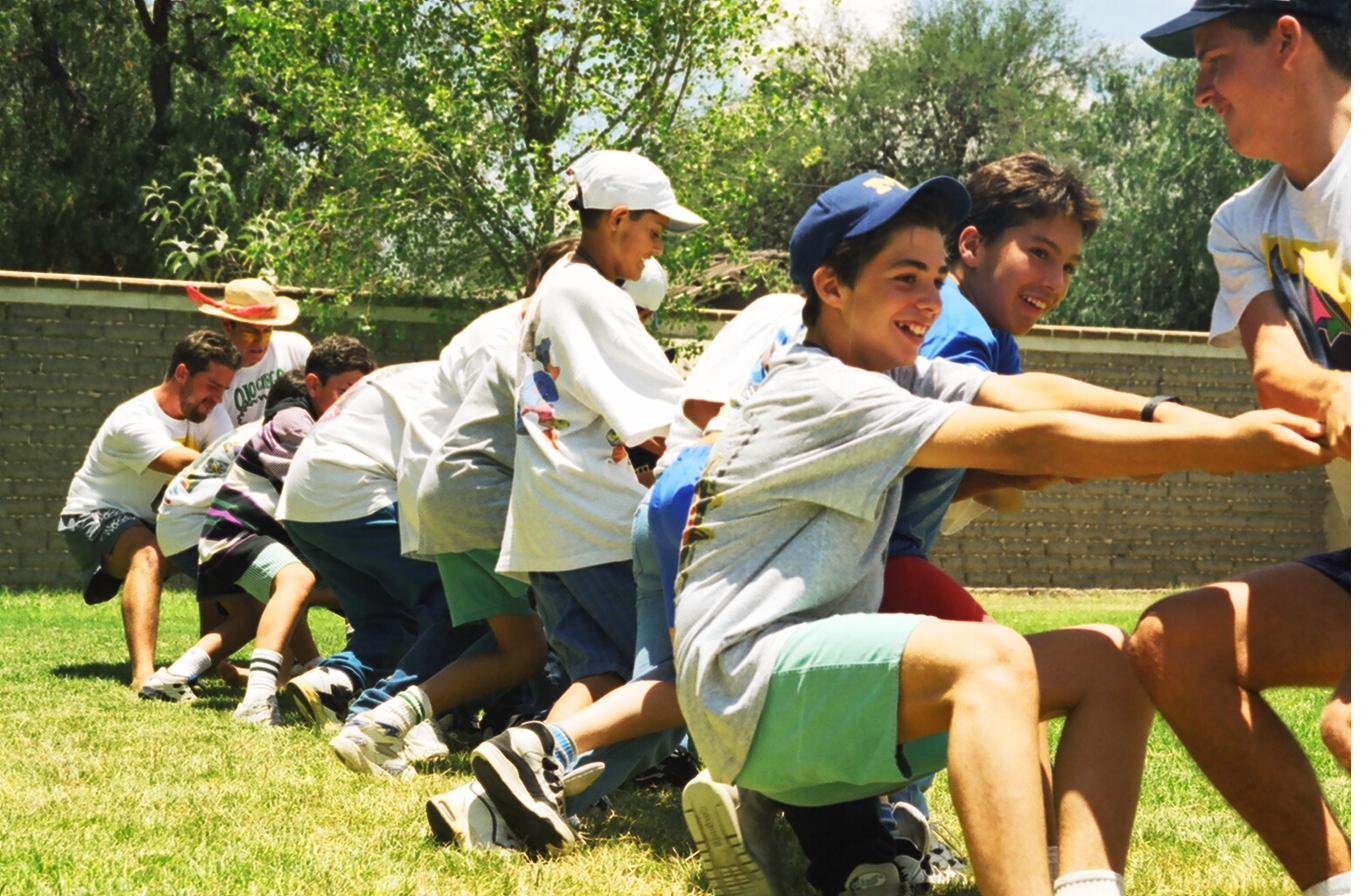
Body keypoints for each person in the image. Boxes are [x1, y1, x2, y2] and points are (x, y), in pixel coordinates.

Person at [669, 172, 1328, 896]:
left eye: (935, 274)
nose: (929, 300)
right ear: (831, 286)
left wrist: (1184, 420)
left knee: (1109, 659)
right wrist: (1222, 450)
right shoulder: (824, 388)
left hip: (811, 697)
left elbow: (1028, 393)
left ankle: (1078, 883)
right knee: (990, 658)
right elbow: (1026, 441)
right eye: (904, 277)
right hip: (748, 695)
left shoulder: (895, 373)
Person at [1129, 4, 1351, 894]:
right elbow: (1281, 377)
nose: (1200, 92)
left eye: (1216, 60)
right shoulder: (1241, 222)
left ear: (1290, 42)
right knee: (1174, 644)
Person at [466, 149, 701, 854]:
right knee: (665, 694)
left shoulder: (559, 286)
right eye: (655, 231)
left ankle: (481, 805)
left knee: (600, 680)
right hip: (597, 523)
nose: (659, 248)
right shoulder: (594, 294)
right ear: (619, 219)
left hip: (551, 521)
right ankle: (516, 805)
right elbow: (661, 417)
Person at [143, 336, 375, 721]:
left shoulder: (280, 425)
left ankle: (177, 675)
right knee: (295, 583)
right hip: (206, 525)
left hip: (204, 523)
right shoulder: (291, 426)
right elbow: (324, 494)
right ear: (310, 391)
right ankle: (264, 694)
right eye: (344, 393)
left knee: (274, 601)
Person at [58, 330, 239, 690]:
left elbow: (229, 458)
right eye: (212, 386)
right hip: (93, 515)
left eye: (224, 389)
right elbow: (181, 462)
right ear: (182, 373)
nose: (218, 399)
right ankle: (144, 675)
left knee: (216, 546)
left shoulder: (209, 414)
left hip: (156, 519)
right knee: (148, 552)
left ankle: (212, 662)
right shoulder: (133, 420)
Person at [186, 277, 312, 428]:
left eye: (267, 331)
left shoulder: (297, 349)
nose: (259, 341)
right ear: (228, 325)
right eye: (250, 333)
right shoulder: (216, 377)